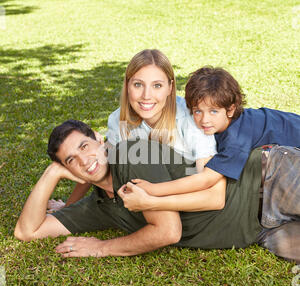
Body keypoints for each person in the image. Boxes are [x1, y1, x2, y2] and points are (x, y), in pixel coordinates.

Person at [14, 120, 300, 263]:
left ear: (101, 141)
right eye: (71, 161)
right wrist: (52, 173)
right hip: (262, 231)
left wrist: (100, 248)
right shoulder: (99, 205)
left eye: (84, 147)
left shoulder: (132, 154)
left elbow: (167, 231)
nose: (84, 161)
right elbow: (27, 232)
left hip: (269, 178)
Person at [47, 50, 218, 212]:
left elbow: (209, 186)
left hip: (191, 201)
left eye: (157, 85)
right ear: (127, 85)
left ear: (170, 87)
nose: (146, 95)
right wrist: (68, 206)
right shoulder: (118, 120)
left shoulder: (191, 117)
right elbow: (98, 162)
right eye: (138, 84)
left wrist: (152, 200)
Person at [124, 66, 300, 204]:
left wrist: (154, 189)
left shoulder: (237, 138)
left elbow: (207, 179)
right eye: (197, 111)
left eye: (213, 111)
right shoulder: (222, 126)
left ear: (230, 109)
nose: (204, 120)